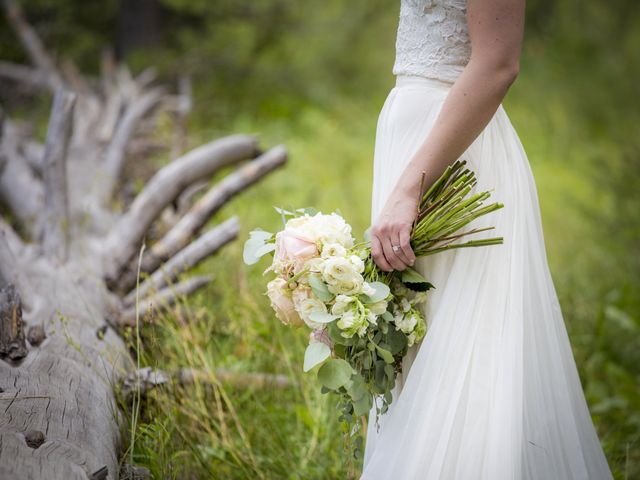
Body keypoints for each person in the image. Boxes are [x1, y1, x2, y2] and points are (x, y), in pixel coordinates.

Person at [361, 0, 613, 478]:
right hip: (413, 140)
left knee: (464, 353)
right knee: (418, 340)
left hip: (452, 160)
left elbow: (498, 64)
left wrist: (411, 185)